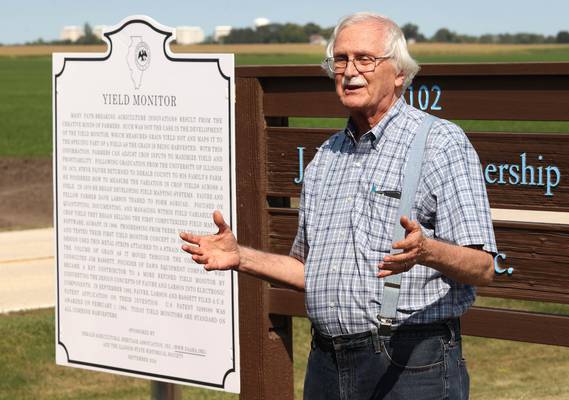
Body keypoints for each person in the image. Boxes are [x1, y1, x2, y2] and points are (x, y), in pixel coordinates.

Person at [180, 12, 497, 400]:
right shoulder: (326, 157)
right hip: (328, 362)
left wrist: (427, 251)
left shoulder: (440, 143)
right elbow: (306, 271)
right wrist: (239, 256)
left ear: (399, 73)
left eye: (365, 59)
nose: (350, 71)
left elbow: (482, 266)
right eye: (340, 60)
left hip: (411, 361)